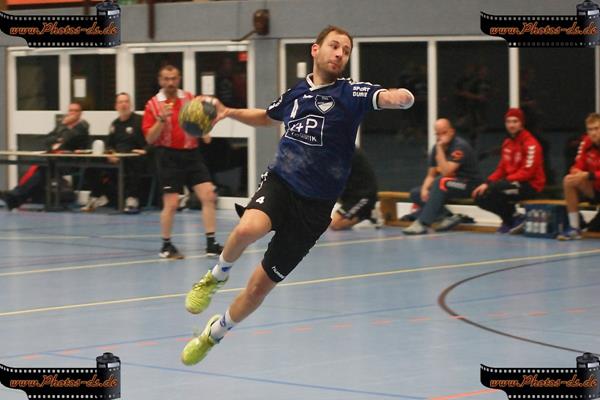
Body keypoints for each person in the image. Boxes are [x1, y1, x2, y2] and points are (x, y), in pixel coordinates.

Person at [179, 25, 415, 366]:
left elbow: (386, 96)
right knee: (248, 228)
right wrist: (228, 112)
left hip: (315, 208)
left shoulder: (352, 93)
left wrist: (399, 97)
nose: (339, 53)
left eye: (346, 50)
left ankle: (213, 334)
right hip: (282, 182)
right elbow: (265, 117)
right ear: (315, 49)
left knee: (258, 289)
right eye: (334, 46)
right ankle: (215, 277)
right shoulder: (296, 94)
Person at [142, 65, 223, 259]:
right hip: (168, 156)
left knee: (209, 195)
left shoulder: (189, 98)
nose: (170, 82)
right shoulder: (153, 105)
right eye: (166, 79)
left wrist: (205, 131)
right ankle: (166, 246)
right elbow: (150, 139)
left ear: (179, 79)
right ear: (160, 80)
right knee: (171, 203)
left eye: (173, 78)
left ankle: (211, 243)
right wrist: (161, 120)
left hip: (192, 154)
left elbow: (199, 119)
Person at [0, 102, 89, 210]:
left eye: (75, 111)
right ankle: (15, 198)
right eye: (70, 110)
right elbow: (47, 140)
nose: (72, 113)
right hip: (55, 160)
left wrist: (62, 128)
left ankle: (15, 196)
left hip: (71, 162)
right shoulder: (62, 126)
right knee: (39, 170)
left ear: (80, 113)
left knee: (42, 170)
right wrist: (59, 137)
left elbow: (67, 139)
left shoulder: (82, 126)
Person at [472, 108, 546, 234]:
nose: (511, 125)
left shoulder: (531, 144)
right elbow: (501, 169)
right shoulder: (507, 143)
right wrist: (487, 183)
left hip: (530, 185)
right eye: (508, 122)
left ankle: (515, 218)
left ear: (521, 123)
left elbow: (527, 173)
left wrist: (502, 182)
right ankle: (509, 219)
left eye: (515, 121)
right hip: (512, 183)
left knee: (495, 189)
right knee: (480, 196)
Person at [403, 118, 480, 235]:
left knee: (441, 181)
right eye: (438, 134)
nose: (440, 137)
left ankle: (423, 223)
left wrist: (439, 149)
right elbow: (431, 175)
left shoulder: (459, 147)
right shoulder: (436, 148)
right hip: (451, 184)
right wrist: (424, 189)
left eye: (444, 133)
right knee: (416, 193)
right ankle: (448, 217)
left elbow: (446, 173)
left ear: (452, 132)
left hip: (469, 185)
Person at [81, 92, 148, 213]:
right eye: (120, 102)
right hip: (117, 157)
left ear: (131, 104)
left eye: (126, 102)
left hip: (134, 157)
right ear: (116, 106)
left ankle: (132, 199)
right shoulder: (115, 124)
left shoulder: (139, 121)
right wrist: (110, 154)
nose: (124, 105)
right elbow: (109, 144)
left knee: (133, 164)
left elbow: (150, 140)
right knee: (91, 166)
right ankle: (97, 196)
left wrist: (145, 150)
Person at [557, 113, 600, 240]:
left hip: (594, 180)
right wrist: (576, 172)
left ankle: (587, 226)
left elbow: (589, 175)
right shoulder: (586, 142)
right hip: (594, 189)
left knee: (593, 229)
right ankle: (574, 227)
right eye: (590, 129)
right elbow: (578, 164)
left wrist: (589, 175)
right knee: (568, 180)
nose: (593, 133)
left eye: (596, 128)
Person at [329, 147, 379, 230]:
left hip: (364, 197)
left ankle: (369, 214)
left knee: (335, 224)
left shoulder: (348, 152)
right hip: (349, 197)